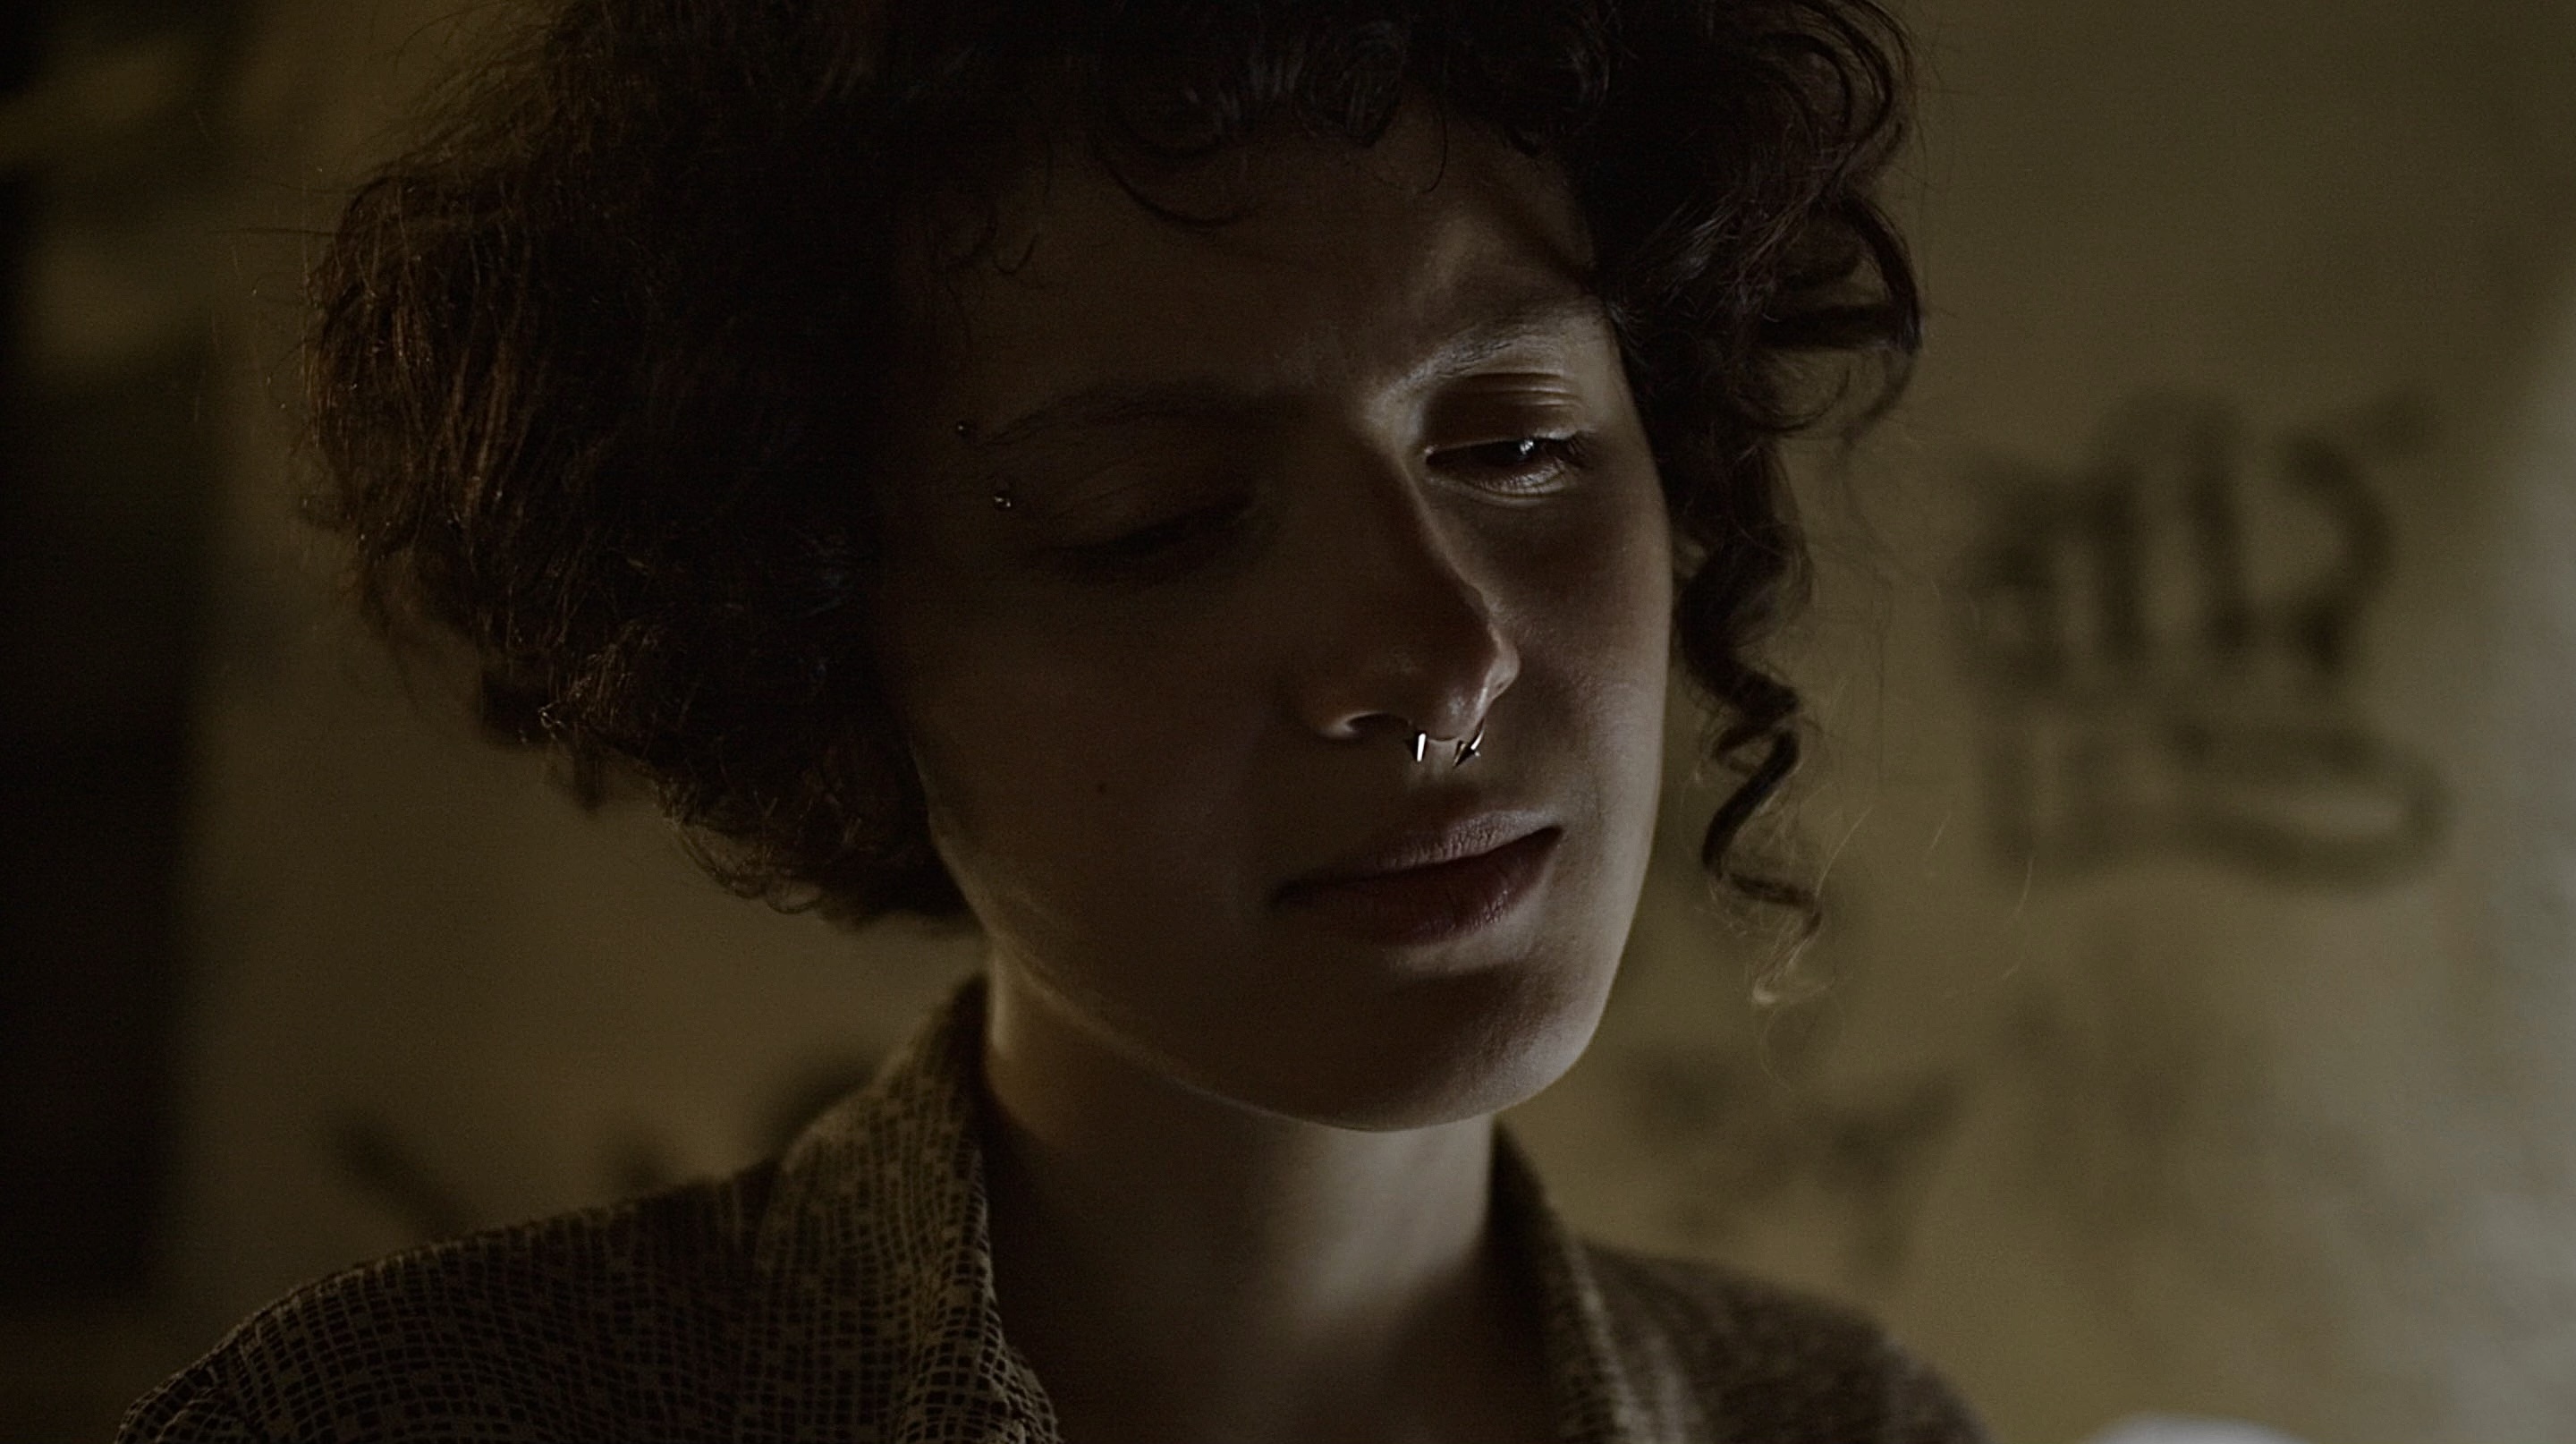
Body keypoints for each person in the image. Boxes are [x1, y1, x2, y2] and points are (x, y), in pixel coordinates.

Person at [122, 0, 1983, 1440]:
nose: (1437, 658)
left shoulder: (1852, 1426)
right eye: (1150, 524)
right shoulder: (399, 1422)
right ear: (823, 639)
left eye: (1514, 444)